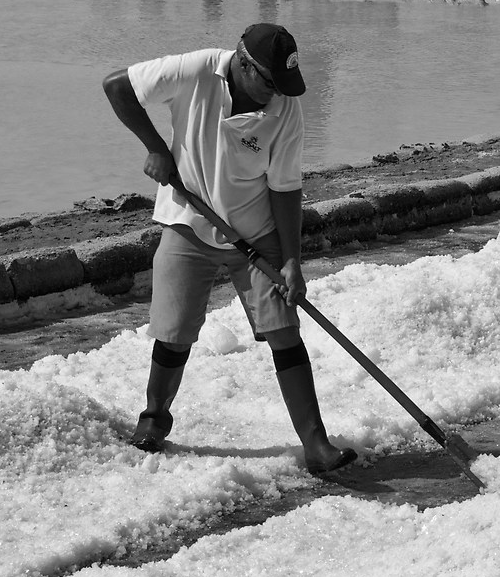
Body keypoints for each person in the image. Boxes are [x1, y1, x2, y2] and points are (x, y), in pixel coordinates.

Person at [102, 24, 355, 477]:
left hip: (257, 236)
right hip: (189, 225)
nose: (277, 95)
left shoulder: (287, 111)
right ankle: (154, 421)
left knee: (284, 330)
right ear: (242, 64)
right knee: (173, 332)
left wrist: (293, 261)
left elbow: (286, 189)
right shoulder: (196, 69)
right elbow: (117, 86)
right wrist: (156, 148)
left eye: (284, 85)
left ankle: (316, 445)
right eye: (270, 83)